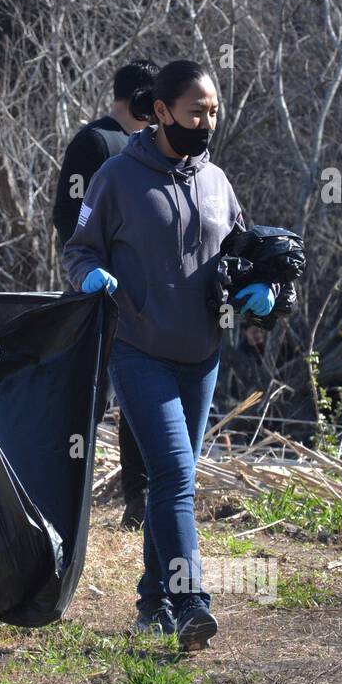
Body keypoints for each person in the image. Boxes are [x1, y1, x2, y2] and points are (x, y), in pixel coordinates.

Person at [64, 60, 269, 650]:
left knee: (167, 483)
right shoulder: (115, 177)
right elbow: (78, 250)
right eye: (193, 113)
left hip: (201, 355)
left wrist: (268, 289)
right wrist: (91, 275)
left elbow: (244, 251)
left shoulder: (216, 182)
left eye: (212, 113)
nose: (205, 123)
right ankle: (192, 602)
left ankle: (151, 603)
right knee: (176, 477)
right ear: (159, 112)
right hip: (137, 349)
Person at [52, 59, 158, 529]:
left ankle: (139, 503)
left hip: (142, 302)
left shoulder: (150, 147)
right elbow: (68, 218)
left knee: (139, 403)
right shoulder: (94, 142)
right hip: (96, 300)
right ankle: (62, 493)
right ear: (139, 97)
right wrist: (90, 274)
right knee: (87, 398)